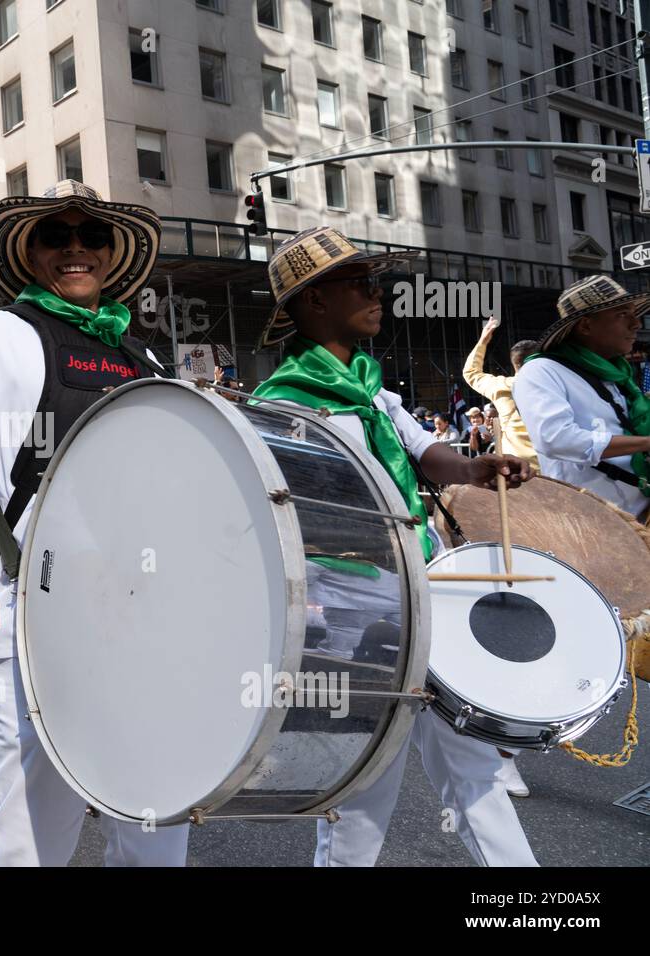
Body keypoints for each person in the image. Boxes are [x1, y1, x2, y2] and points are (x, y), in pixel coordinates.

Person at [0, 179, 190, 866]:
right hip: (26, 608)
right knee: (32, 832)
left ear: (110, 253)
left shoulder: (144, 358)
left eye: (91, 237)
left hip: (140, 611)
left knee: (156, 803)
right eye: (56, 236)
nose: (76, 249)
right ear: (31, 252)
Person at [251, 226, 537, 867]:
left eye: (374, 281)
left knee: (475, 767)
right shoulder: (279, 407)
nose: (377, 293)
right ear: (313, 303)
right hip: (353, 616)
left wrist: (477, 466)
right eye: (359, 283)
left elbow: (428, 454)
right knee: (363, 791)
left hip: (423, 590)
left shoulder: (373, 390)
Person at [514, 274, 650, 523]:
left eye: (634, 313)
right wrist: (645, 443)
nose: (636, 324)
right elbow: (555, 439)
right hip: (591, 525)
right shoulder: (541, 371)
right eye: (622, 315)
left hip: (641, 515)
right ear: (586, 326)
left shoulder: (617, 375)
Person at [463, 315, 540, 471]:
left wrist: (483, 341)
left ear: (515, 363)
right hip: (554, 469)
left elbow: (470, 372)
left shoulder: (500, 387)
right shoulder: (557, 386)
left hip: (514, 468)